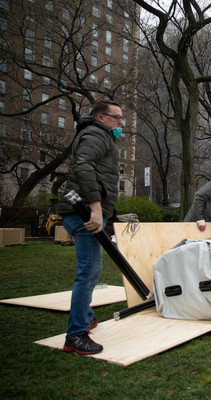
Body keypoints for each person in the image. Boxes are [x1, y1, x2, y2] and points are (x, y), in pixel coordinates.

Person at [56, 99, 123, 355]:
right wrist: (95, 208)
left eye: (121, 119)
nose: (120, 123)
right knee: (89, 272)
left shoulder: (101, 136)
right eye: (116, 118)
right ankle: (76, 335)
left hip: (86, 212)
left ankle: (87, 317)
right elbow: (83, 166)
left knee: (90, 270)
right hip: (84, 213)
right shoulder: (96, 134)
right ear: (100, 117)